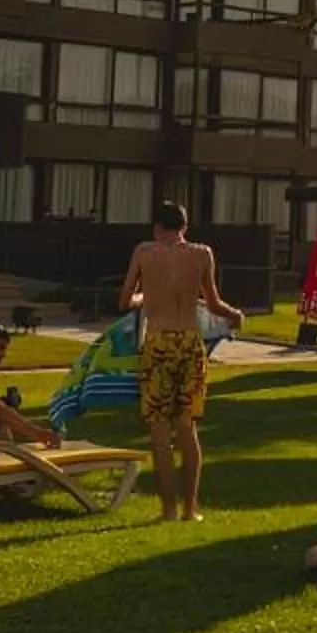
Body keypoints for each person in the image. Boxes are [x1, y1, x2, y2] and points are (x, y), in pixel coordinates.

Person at [120, 200, 244, 522]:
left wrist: (145, 296)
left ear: (157, 227)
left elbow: (125, 300)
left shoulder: (144, 252)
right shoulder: (202, 254)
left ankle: (167, 510)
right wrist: (236, 314)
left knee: (160, 431)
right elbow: (213, 302)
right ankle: (191, 509)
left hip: (158, 341)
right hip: (189, 342)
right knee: (187, 426)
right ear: (184, 228)